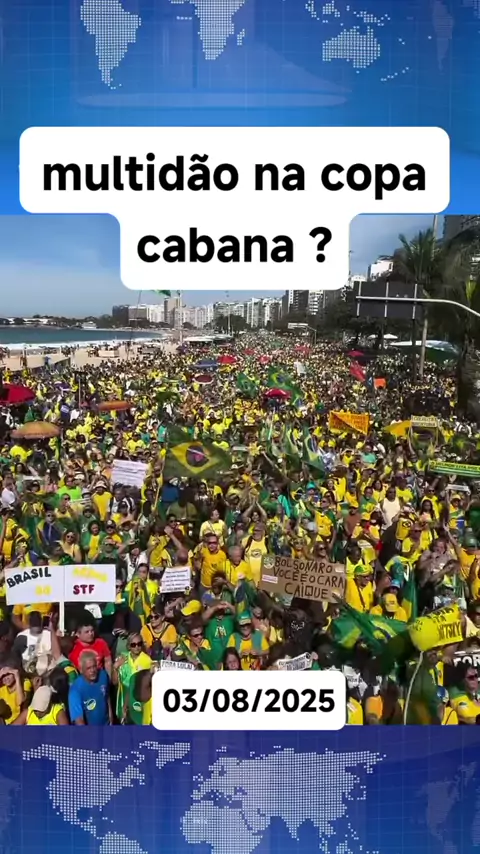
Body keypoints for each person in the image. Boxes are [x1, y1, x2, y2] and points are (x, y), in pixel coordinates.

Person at [68, 650, 112, 725]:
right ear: (81, 670)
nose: (92, 670)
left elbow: (107, 696)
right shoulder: (75, 690)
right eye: (88, 668)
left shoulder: (103, 675)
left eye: (94, 666)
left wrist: (111, 717)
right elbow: (78, 720)